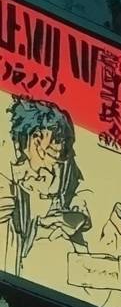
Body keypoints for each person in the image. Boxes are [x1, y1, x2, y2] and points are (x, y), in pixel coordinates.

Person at [0, 97, 91, 285]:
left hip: (65, 274)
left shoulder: (65, 167)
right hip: (18, 278)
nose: (60, 148)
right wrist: (37, 229)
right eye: (55, 139)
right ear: (35, 139)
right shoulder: (8, 175)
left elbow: (81, 192)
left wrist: (78, 217)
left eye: (63, 141)